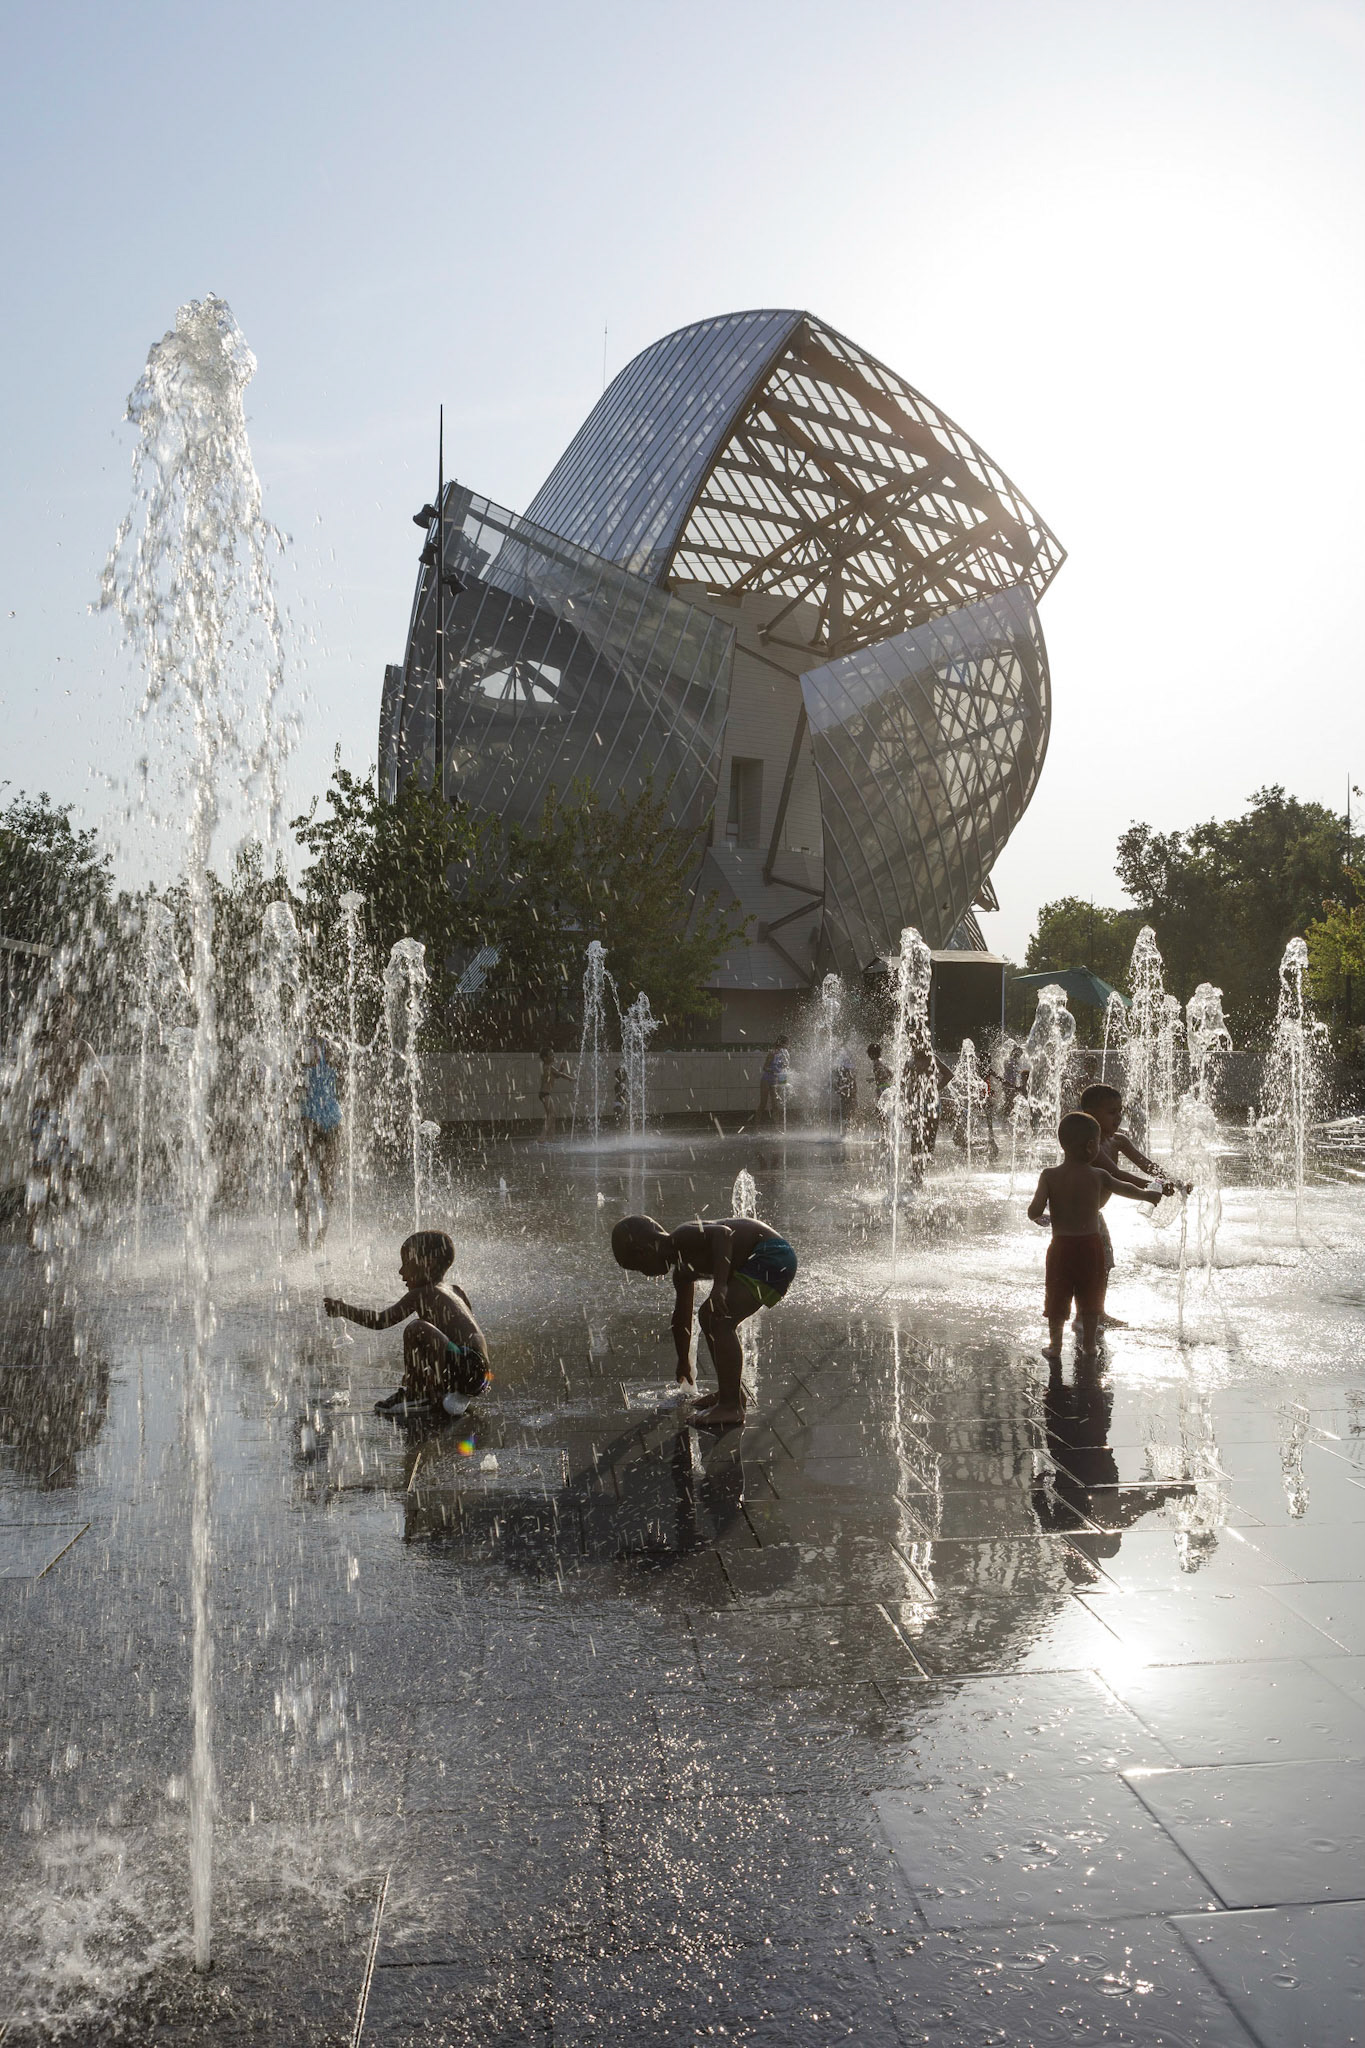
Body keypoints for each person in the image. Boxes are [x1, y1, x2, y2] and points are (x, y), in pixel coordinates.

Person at [611, 1212, 798, 1427]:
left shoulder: (682, 1236)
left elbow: (723, 1234)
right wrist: (683, 1361)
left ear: (643, 1252)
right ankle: (732, 1394)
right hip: (762, 1259)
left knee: (718, 1320)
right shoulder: (682, 1272)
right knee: (708, 1318)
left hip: (772, 1254)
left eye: (639, 1268)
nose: (645, 1275)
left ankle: (731, 1407)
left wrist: (720, 1285)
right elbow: (681, 1318)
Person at [1027, 1111, 1167, 1360]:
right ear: (1092, 1146)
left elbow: (1034, 1211)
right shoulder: (1098, 1175)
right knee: (1090, 1296)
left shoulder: (1049, 1175)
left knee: (1057, 1297)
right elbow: (1127, 1189)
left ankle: (1055, 1345)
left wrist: (1043, 1216)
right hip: (1090, 1247)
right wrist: (1148, 1194)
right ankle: (1090, 1345)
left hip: (1061, 1247)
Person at [324, 1229, 490, 1417]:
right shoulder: (456, 1291)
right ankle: (438, 1392)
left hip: (465, 1364)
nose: (401, 1271)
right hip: (479, 1374)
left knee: (416, 1328)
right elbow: (455, 1338)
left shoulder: (422, 1293)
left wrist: (344, 1309)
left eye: (407, 1263)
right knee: (427, 1333)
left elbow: (380, 1321)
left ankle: (415, 1396)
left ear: (429, 1262)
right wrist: (420, 1372)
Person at [1077, 1083, 1192, 1327]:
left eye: (1120, 1111)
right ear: (1089, 1114)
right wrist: (1154, 1188)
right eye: (1111, 1112)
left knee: (1105, 1264)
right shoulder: (1091, 1146)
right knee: (1089, 1265)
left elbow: (1147, 1164)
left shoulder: (1118, 1141)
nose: (1118, 1117)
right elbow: (1117, 1175)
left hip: (1095, 1214)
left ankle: (1097, 1312)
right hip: (1078, 1215)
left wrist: (1175, 1182)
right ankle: (1083, 1315)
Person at [294, 1036, 342, 1247]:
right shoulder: (333, 1047)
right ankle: (315, 1239)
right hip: (328, 1119)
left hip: (313, 1121)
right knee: (323, 1181)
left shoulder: (304, 1046)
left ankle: (311, 1239)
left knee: (305, 1181)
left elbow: (295, 1084)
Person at [538, 1047, 573, 1139]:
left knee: (552, 1115)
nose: (554, 1056)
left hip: (545, 1094)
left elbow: (557, 1075)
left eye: (553, 1054)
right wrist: (571, 1079)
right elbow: (560, 1075)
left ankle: (551, 1137)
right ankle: (542, 1137)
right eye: (551, 1055)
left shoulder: (548, 1067)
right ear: (545, 1058)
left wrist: (561, 1069)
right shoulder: (548, 1067)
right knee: (551, 1115)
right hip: (544, 1094)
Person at [757, 1036, 792, 1126]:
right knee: (763, 1103)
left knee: (776, 1106)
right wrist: (773, 1071)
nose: (788, 1045)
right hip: (767, 1080)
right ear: (782, 1043)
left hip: (776, 1082)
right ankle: (756, 1126)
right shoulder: (772, 1053)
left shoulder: (786, 1055)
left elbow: (785, 1070)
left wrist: (783, 1084)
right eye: (787, 1043)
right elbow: (765, 1067)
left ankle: (776, 1127)